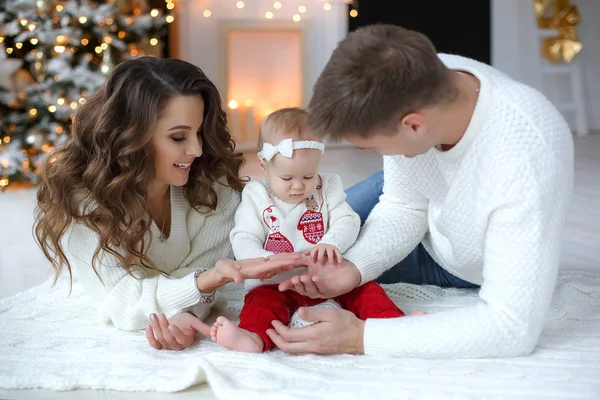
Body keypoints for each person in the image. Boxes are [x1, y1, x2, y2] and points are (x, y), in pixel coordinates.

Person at [266, 24, 574, 358]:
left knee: (310, 262)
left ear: (414, 125)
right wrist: (355, 266)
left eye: (369, 146)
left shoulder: (524, 160)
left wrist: (361, 338)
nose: (374, 154)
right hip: (428, 205)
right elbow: (403, 205)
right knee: (290, 244)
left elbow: (511, 328)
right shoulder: (417, 79)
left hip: (462, 260)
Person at [33, 56, 304, 351]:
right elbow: (122, 300)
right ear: (130, 136)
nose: (197, 149)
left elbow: (197, 276)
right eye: (178, 137)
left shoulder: (214, 186)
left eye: (199, 132)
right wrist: (205, 282)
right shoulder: (83, 200)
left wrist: (184, 313)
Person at [210, 108, 405, 352]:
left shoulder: (328, 185)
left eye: (308, 175)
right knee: (261, 304)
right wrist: (264, 261)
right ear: (263, 166)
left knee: (368, 292)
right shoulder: (256, 194)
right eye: (287, 178)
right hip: (277, 283)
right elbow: (244, 236)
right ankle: (252, 337)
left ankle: (395, 325)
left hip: (328, 278)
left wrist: (332, 243)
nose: (299, 186)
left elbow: (348, 220)